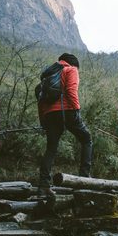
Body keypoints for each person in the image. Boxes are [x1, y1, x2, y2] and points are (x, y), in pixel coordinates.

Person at [38, 53, 93, 196]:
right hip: (67, 110)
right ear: (73, 64)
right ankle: (84, 178)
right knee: (86, 139)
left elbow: (41, 100)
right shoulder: (71, 70)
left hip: (50, 113)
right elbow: (71, 91)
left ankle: (43, 185)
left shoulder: (48, 75)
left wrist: (43, 119)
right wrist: (77, 110)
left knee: (51, 148)